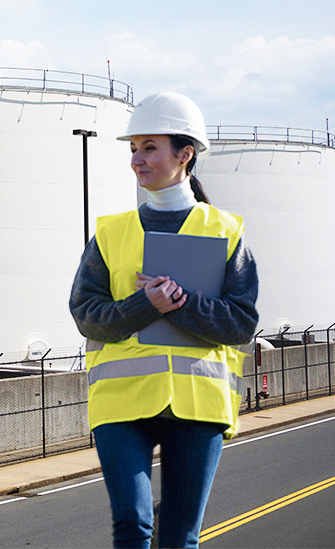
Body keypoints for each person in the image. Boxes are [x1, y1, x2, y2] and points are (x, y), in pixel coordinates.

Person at [69, 92, 259, 549]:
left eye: (149, 147)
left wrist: (180, 303)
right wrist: (145, 305)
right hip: (121, 404)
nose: (136, 159)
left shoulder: (225, 230)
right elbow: (87, 316)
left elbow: (241, 323)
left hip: (199, 404)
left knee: (179, 536)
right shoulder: (110, 233)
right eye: (134, 148)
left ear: (185, 154)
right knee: (132, 524)